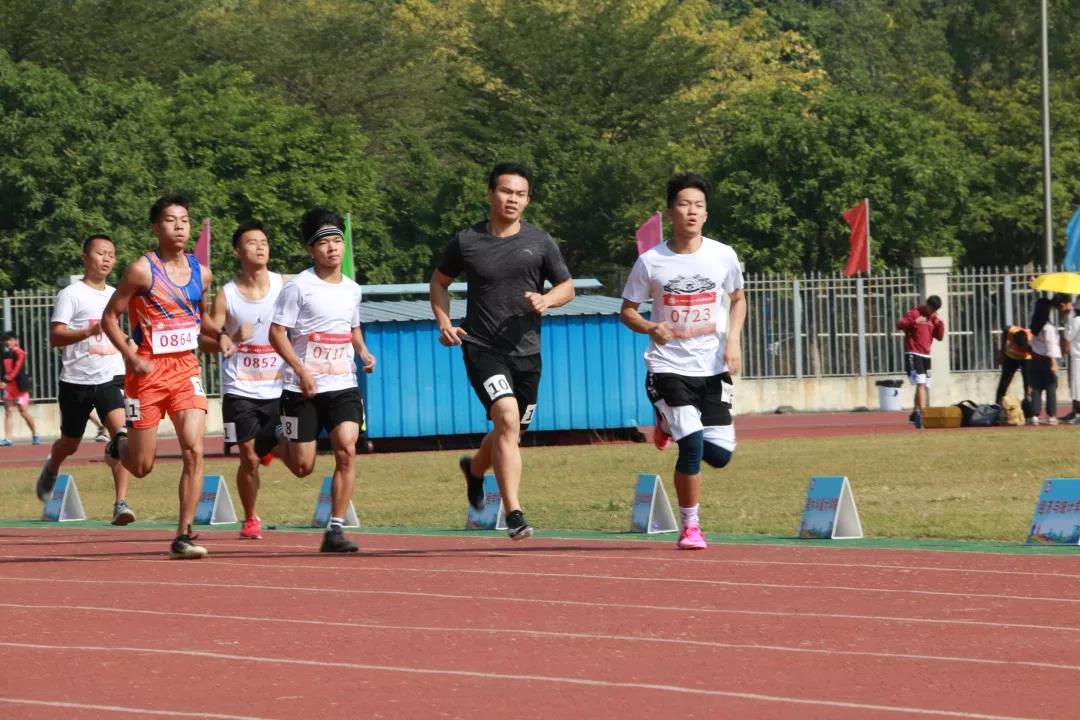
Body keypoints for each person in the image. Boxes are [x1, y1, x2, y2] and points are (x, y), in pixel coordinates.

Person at [429, 162, 574, 541]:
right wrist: (444, 322)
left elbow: (568, 287)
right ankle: (514, 512)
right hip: (482, 347)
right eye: (506, 191)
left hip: (527, 352)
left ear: (528, 200)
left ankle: (475, 469)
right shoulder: (467, 241)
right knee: (507, 418)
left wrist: (546, 300)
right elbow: (439, 282)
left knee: (511, 431)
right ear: (490, 194)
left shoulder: (540, 242)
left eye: (520, 194)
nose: (513, 199)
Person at [619, 173, 746, 551]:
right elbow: (628, 311)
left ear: (706, 214)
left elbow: (738, 299)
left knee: (719, 456)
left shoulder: (723, 255)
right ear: (671, 211)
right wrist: (650, 326)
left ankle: (665, 424)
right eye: (684, 204)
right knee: (691, 444)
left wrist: (733, 341)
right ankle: (691, 527)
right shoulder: (651, 261)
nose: (692, 211)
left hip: (712, 368)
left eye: (699, 205)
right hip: (667, 367)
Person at [100, 195, 212, 559]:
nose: (179, 226)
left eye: (184, 220)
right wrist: (130, 356)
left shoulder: (202, 273)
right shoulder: (141, 271)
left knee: (194, 448)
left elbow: (202, 320)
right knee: (141, 466)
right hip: (146, 374)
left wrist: (226, 334)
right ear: (155, 227)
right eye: (170, 220)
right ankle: (119, 444)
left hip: (185, 370)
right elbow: (109, 317)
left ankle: (183, 535)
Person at [268, 208, 375, 553]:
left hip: (343, 384)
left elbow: (352, 327)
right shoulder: (298, 287)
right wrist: (300, 369)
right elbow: (276, 333)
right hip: (302, 388)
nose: (332, 248)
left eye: (337, 241)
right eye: (324, 243)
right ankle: (278, 432)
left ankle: (335, 529)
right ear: (311, 250)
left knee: (347, 449)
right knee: (302, 466)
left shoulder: (352, 289)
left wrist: (363, 351)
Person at [35, 235, 134, 525]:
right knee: (70, 443)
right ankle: (53, 466)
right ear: (85, 257)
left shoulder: (116, 295)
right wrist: (89, 332)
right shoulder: (71, 294)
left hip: (110, 377)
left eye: (111, 254)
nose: (107, 258)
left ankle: (121, 503)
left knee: (122, 436)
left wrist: (132, 348)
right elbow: (56, 337)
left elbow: (117, 332)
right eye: (101, 253)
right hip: (75, 381)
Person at [198, 220, 284, 540]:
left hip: (278, 386)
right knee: (247, 458)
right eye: (251, 243)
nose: (260, 247)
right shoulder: (227, 295)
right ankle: (250, 518)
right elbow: (205, 342)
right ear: (237, 251)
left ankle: (268, 446)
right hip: (240, 388)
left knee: (300, 462)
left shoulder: (283, 286)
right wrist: (232, 336)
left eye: (264, 242)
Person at [896, 296, 945, 429]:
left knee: (923, 385)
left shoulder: (933, 318)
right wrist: (914, 322)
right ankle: (922, 415)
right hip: (913, 352)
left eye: (935, 310)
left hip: (926, 354)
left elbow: (939, 337)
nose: (932, 312)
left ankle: (914, 413)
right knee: (921, 383)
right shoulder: (914, 313)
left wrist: (940, 323)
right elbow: (899, 324)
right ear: (926, 305)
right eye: (931, 309)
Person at [1027, 294, 1069, 426]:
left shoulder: (1034, 324)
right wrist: (1054, 362)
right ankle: (1051, 416)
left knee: (1036, 388)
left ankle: (1035, 415)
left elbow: (1031, 342)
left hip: (1035, 358)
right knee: (1051, 388)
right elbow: (1051, 346)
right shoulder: (1048, 327)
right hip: (1047, 360)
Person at [1, 331, 40, 446]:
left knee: (23, 412)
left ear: (15, 341)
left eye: (10, 340)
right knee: (8, 411)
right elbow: (3, 370)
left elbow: (16, 369)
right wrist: (2, 381)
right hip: (9, 388)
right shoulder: (5, 354)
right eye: (6, 340)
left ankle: (35, 434)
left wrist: (6, 380)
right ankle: (8, 439)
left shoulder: (20, 353)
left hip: (20, 388)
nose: (7, 342)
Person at [994, 324, 1032, 416]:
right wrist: (1001, 353)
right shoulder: (1010, 331)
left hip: (1026, 359)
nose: (1019, 348)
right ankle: (998, 405)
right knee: (1004, 381)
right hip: (1011, 357)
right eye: (1017, 346)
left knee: (1028, 383)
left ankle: (1028, 408)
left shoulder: (1031, 340)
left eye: (1021, 347)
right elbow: (1004, 336)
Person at [1064, 301, 1080, 424]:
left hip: (1077, 357)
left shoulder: (1076, 320)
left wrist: (1067, 323)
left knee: (1077, 388)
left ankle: (1078, 413)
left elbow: (1069, 336)